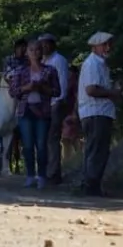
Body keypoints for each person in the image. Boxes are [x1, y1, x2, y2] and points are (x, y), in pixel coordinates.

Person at [8, 39, 61, 188]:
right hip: (25, 111)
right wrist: (26, 88)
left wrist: (42, 88)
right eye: (31, 50)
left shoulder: (50, 70)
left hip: (43, 112)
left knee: (42, 145)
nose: (34, 52)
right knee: (28, 145)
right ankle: (30, 175)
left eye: (37, 49)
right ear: (27, 52)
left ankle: (42, 175)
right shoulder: (20, 71)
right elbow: (13, 91)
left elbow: (57, 91)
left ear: (41, 51)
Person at [78, 31, 122, 197]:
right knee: (97, 150)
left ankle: (89, 184)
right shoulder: (93, 64)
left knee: (94, 149)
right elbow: (91, 90)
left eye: (109, 44)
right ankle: (91, 185)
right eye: (104, 44)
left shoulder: (100, 64)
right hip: (96, 112)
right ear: (95, 46)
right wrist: (113, 93)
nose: (108, 47)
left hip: (96, 112)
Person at [39, 33, 71, 185]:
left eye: (47, 43)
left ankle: (54, 173)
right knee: (44, 139)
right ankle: (46, 171)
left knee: (52, 138)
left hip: (55, 104)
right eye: (42, 44)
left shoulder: (59, 60)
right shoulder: (42, 61)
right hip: (43, 105)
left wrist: (59, 101)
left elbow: (63, 83)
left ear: (53, 44)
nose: (44, 46)